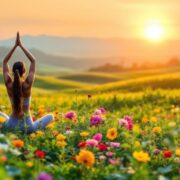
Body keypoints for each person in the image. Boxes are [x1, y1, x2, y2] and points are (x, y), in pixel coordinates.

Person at [0, 32, 53, 133]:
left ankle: (6, 128)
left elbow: (5, 62)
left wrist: (15, 46)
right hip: (28, 127)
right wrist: (21, 45)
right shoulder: (27, 84)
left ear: (12, 71)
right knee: (50, 116)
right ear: (24, 72)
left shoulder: (8, 84)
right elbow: (33, 61)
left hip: (11, 126)